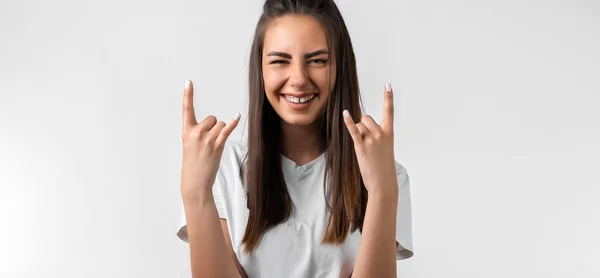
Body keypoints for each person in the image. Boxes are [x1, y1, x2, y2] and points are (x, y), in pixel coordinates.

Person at [176, 0, 414, 277]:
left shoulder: (387, 175)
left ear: (340, 67)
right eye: (280, 61)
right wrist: (195, 193)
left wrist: (382, 193)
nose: (299, 78)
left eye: (317, 60)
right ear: (260, 69)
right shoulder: (222, 170)